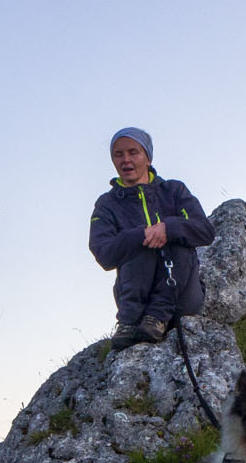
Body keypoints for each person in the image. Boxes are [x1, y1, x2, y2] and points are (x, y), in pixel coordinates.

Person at [88, 127, 215, 349]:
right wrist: (141, 235)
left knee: (176, 236)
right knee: (138, 241)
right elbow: (104, 253)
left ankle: (158, 316)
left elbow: (204, 230)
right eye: (118, 154)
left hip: (181, 297)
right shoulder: (107, 204)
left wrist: (169, 228)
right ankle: (129, 322)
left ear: (148, 157)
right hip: (135, 302)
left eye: (133, 152)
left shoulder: (174, 190)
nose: (125, 160)